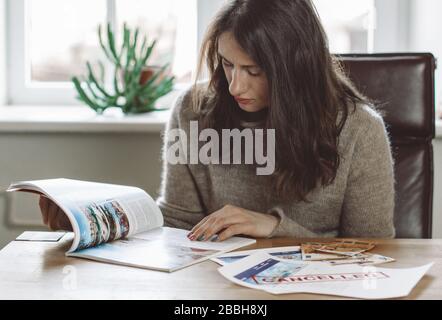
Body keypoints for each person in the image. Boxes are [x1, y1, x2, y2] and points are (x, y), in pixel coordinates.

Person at [39, 0, 396, 242]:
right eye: (227, 64)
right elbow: (177, 223)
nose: (235, 85)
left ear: (295, 72)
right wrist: (92, 222)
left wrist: (274, 228)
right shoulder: (193, 110)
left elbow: (377, 252)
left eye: (254, 71)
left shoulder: (359, 130)